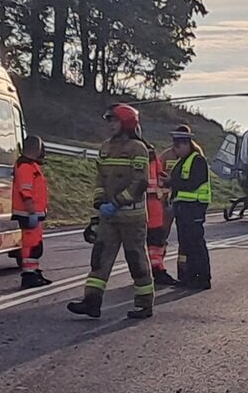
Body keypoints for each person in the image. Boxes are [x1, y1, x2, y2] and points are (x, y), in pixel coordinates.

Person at [67, 103, 155, 320]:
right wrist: (99, 201)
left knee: (136, 259)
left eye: (114, 121)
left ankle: (144, 304)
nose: (110, 126)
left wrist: (117, 202)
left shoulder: (138, 148)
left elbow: (140, 182)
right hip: (108, 217)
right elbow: (100, 177)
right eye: (109, 121)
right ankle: (91, 302)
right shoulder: (105, 147)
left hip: (131, 217)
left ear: (126, 123)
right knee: (99, 259)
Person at [168, 125, 212, 289]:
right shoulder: (182, 162)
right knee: (185, 243)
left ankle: (203, 278)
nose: (176, 150)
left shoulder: (197, 160)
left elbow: (193, 184)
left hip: (194, 207)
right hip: (183, 208)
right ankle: (189, 277)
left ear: (187, 144)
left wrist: (171, 182)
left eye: (178, 146)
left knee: (196, 243)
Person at [12, 135, 52, 288]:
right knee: (30, 246)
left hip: (34, 212)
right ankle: (28, 275)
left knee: (36, 245)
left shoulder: (30, 166)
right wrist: (31, 211)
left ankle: (33, 272)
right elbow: (25, 190)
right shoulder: (25, 167)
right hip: (28, 213)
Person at [146, 141, 175, 286]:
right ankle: (157, 270)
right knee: (156, 243)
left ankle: (154, 271)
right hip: (154, 208)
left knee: (154, 243)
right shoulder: (157, 157)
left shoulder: (156, 159)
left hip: (150, 208)